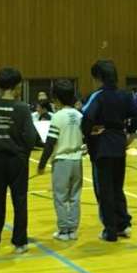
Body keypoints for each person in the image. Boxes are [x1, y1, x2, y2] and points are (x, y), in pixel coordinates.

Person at [82, 60, 137, 242]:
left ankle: (110, 230)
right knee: (117, 187)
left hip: (101, 148)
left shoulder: (98, 96)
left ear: (98, 78)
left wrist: (89, 134)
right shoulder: (124, 96)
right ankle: (123, 224)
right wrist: (129, 131)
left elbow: (86, 118)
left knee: (104, 190)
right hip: (119, 146)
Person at [0, 67, 37, 254]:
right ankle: (20, 243)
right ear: (17, 85)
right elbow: (30, 137)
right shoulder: (22, 108)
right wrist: (24, 152)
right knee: (20, 200)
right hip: (17, 160)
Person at [37, 79, 83, 241]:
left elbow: (50, 143)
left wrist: (41, 164)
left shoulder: (57, 117)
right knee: (75, 197)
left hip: (62, 161)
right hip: (77, 161)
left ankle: (64, 231)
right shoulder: (79, 115)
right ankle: (73, 230)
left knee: (61, 197)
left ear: (56, 98)